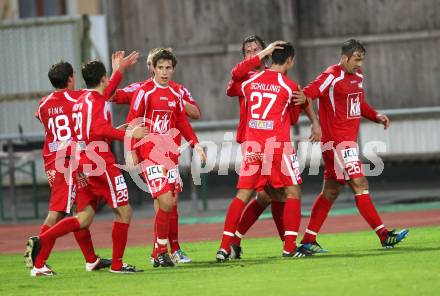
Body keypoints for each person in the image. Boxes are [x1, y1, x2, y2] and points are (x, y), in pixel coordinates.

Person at [25, 51, 148, 276]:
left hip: (68, 160)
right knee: (123, 211)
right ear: (71, 79)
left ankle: (47, 247)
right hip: (94, 159)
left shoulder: (60, 102)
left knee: (83, 215)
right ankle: (117, 265)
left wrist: (118, 71)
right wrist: (130, 133)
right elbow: (99, 125)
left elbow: (98, 110)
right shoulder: (83, 98)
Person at [297, 39, 408, 255]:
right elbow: (307, 95)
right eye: (356, 60)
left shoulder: (357, 77)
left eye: (362, 60)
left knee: (331, 190)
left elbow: (359, 104)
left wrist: (376, 116)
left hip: (347, 143)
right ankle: (384, 235)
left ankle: (308, 240)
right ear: (344, 58)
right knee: (360, 183)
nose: (360, 64)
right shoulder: (331, 75)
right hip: (335, 142)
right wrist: (316, 124)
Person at [217, 42, 319, 262]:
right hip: (277, 147)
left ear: (268, 55)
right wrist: (302, 106)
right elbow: (292, 118)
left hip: (253, 145)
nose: (253, 54)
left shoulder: (248, 81)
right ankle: (289, 246)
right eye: (249, 52)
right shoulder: (288, 85)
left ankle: (226, 246)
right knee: (291, 193)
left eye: (257, 50)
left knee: (255, 195)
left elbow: (232, 83)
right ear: (290, 60)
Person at [112, 48, 201, 264]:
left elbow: (183, 119)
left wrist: (195, 144)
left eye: (168, 67)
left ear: (173, 69)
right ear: (152, 67)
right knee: (166, 200)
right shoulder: (143, 91)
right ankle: (162, 251)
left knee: (169, 203)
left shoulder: (177, 93)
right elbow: (133, 119)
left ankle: (159, 252)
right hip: (149, 153)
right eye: (160, 67)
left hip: (169, 154)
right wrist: (131, 151)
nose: (163, 71)